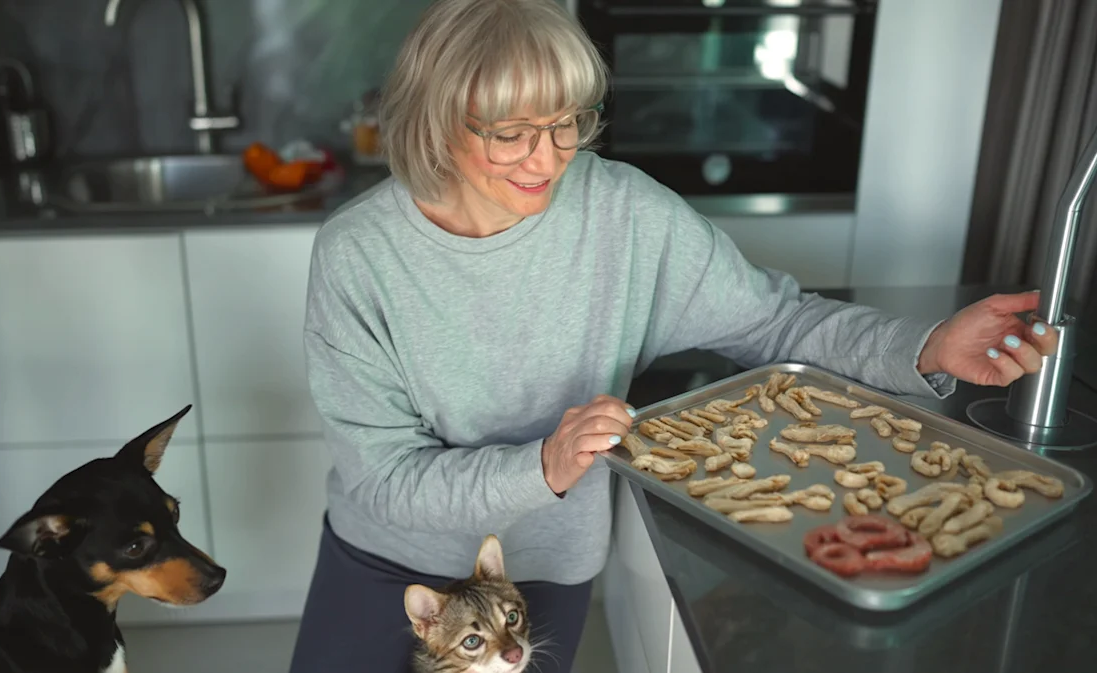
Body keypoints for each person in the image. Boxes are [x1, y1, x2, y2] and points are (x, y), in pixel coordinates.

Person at [287, 1, 1059, 671]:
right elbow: (384, 474)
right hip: (390, 562)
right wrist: (542, 465)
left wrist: (924, 347)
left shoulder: (625, 215)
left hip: (539, 567)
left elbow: (772, 321)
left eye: (567, 122)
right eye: (513, 132)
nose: (548, 157)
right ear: (437, 118)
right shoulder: (360, 252)